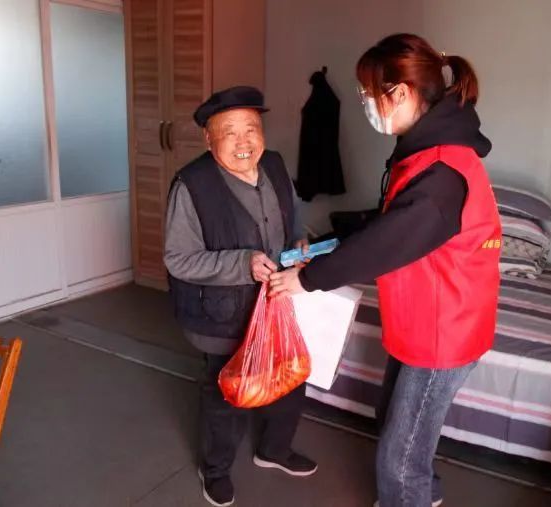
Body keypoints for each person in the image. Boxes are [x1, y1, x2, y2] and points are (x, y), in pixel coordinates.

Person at [269, 34, 501, 507]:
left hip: (444, 331)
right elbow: (389, 223)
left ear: (400, 92)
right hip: (426, 319)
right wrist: (327, 244)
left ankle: (408, 497)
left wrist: (307, 280)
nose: (366, 104)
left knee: (399, 455)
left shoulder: (442, 172)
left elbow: (385, 243)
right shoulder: (423, 153)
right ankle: (424, 494)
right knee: (399, 425)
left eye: (368, 93)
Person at [164, 86, 316, 507]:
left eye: (251, 128)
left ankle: (274, 450)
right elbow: (178, 260)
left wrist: (300, 241)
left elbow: (294, 218)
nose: (243, 140)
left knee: (289, 379)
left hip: (276, 303)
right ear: (208, 139)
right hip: (221, 315)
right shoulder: (192, 185)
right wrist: (241, 263)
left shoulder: (275, 165)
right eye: (229, 132)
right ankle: (214, 470)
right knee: (225, 396)